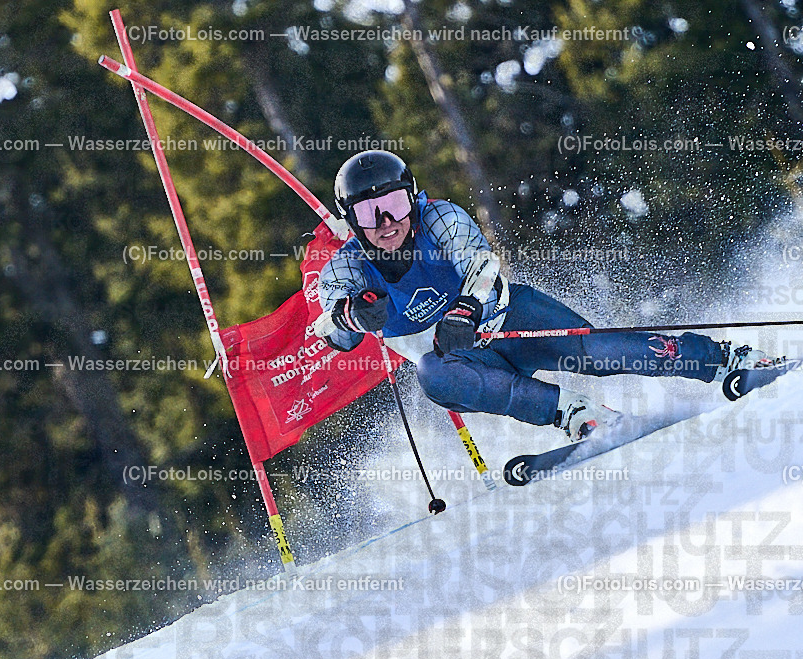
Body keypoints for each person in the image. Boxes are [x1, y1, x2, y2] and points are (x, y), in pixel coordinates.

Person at [316, 151, 773, 441]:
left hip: (512, 321)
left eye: (394, 206)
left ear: (412, 200)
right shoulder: (349, 266)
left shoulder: (441, 220)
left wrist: (465, 310)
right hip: (472, 365)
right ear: (351, 221)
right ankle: (573, 413)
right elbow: (328, 325)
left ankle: (723, 358)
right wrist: (352, 315)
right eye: (368, 214)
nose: (386, 223)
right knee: (431, 374)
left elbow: (482, 267)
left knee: (600, 353)